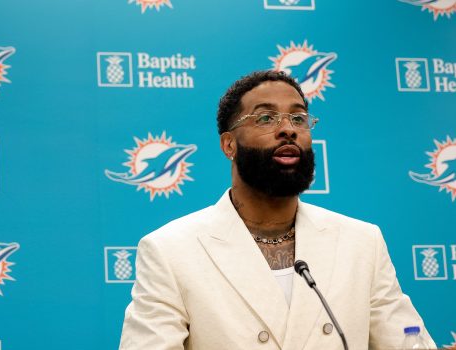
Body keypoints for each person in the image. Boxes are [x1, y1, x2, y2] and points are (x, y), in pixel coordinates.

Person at [118, 71, 436, 350]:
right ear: (229, 145)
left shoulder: (361, 241)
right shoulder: (170, 250)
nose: (288, 129)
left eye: (299, 118)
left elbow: (406, 340)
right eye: (266, 118)